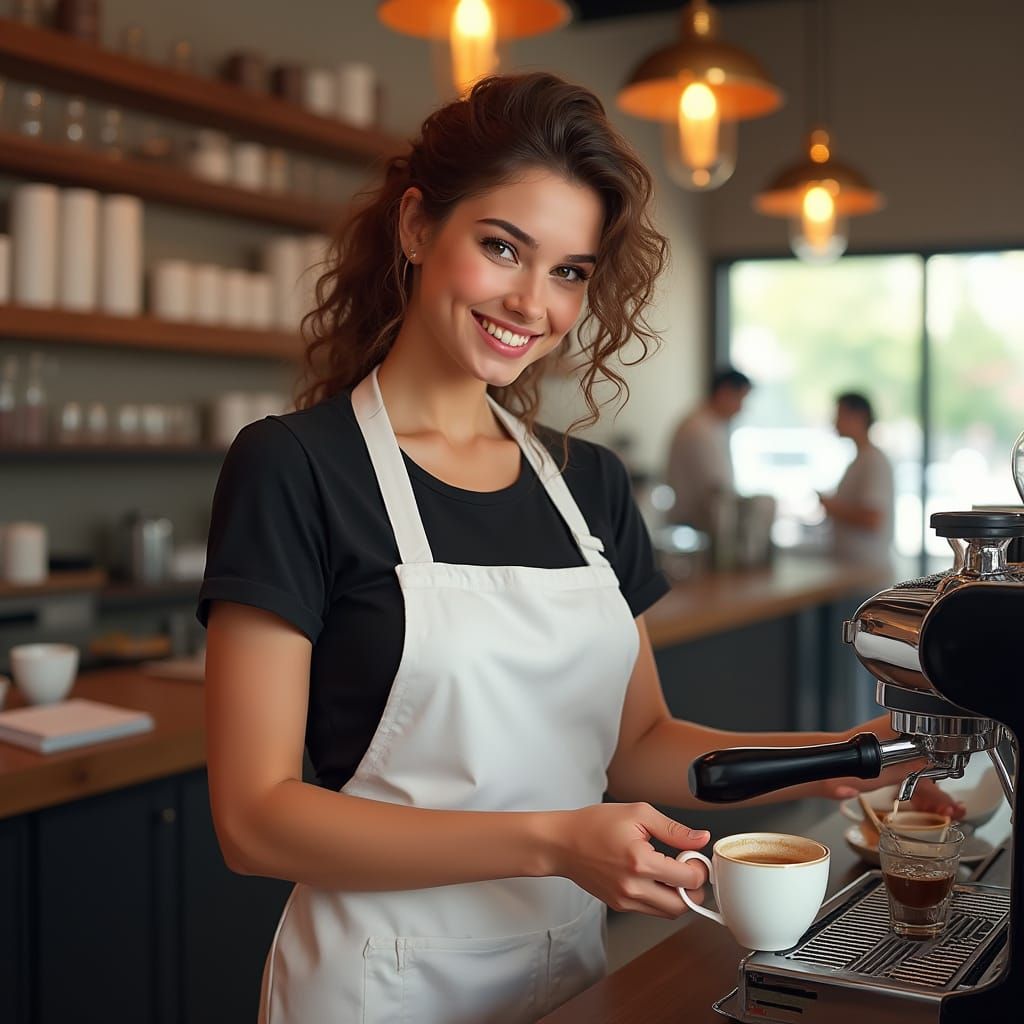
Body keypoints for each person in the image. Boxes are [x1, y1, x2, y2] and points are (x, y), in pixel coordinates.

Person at [198, 74, 958, 1024]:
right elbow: (254, 816)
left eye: (569, 270)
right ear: (415, 228)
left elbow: (638, 744)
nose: (533, 302)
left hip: (568, 972)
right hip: (373, 983)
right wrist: (556, 842)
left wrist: (841, 754)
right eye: (502, 247)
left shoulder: (585, 481)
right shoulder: (297, 466)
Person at [665, 367, 752, 531]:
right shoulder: (698, 429)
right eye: (740, 399)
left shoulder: (711, 425)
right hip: (695, 527)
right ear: (724, 393)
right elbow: (717, 486)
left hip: (702, 523)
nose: (741, 408)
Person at [819, 392, 895, 569]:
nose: (835, 422)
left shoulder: (873, 460)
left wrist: (833, 507)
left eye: (839, 415)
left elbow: (872, 518)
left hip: (865, 571)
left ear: (858, 416)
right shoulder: (861, 459)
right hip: (855, 568)